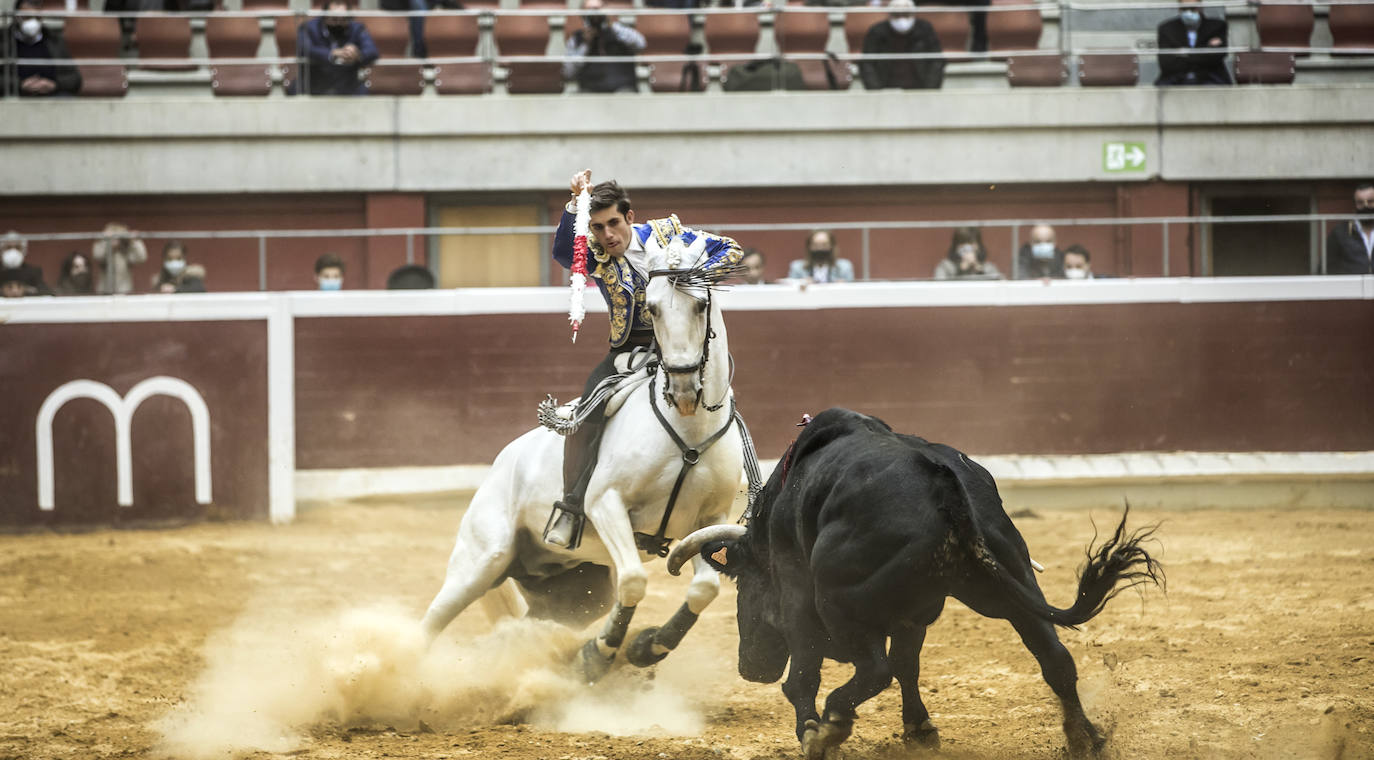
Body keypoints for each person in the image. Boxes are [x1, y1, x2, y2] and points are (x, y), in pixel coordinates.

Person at [543, 169, 743, 548]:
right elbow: (565, 254)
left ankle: (750, 493)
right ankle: (571, 508)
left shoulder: (670, 238)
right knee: (586, 413)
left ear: (630, 217)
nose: (607, 235)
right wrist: (575, 205)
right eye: (598, 227)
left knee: (722, 398)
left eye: (614, 223)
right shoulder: (598, 253)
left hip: (681, 345)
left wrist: (693, 277)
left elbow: (730, 249)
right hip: (627, 352)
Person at [563, 0, 646, 94]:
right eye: (589, 10)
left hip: (623, 89)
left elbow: (640, 44)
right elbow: (569, 72)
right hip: (589, 92)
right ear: (582, 14)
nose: (595, 13)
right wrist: (585, 45)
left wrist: (612, 27)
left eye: (598, 9)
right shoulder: (577, 39)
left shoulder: (620, 31)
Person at [298, 0, 379, 96]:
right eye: (334, 19)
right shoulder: (309, 28)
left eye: (343, 19)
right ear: (325, 17)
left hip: (348, 83)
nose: (338, 23)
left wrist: (357, 54)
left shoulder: (357, 28)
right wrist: (332, 54)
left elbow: (372, 51)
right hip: (317, 81)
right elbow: (304, 49)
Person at [2, 0, 81, 97]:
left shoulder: (54, 40)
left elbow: (75, 79)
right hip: (16, 95)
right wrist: (20, 84)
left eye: (37, 17)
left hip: (52, 95)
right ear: (16, 17)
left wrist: (55, 84)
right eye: (27, 17)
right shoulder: (4, 40)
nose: (33, 21)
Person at [860, 0, 944, 90]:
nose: (901, 18)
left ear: (913, 14)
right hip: (886, 89)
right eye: (897, 15)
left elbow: (936, 60)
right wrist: (876, 91)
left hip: (920, 88)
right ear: (889, 15)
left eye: (906, 14)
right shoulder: (877, 32)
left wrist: (930, 90)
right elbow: (867, 63)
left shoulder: (925, 30)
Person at [1155, 0, 1232, 86]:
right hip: (1176, 78)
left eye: (1193, 8)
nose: (1189, 12)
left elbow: (1217, 57)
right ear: (1179, 9)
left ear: (1201, 7)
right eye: (1185, 9)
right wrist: (1204, 50)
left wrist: (1183, 54)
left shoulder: (1217, 26)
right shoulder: (1167, 29)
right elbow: (1166, 63)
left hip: (1209, 78)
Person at [1325, 182, 1374, 275]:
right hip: (1350, 287)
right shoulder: (1340, 233)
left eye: (1370, 201)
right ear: (1354, 205)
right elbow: (1329, 268)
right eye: (1360, 203)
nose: (1366, 206)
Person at [91, 222, 148, 294]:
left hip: (124, 290)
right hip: (104, 290)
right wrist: (106, 242)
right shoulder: (101, 244)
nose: (115, 240)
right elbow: (98, 256)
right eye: (113, 237)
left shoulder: (125, 252)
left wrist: (135, 241)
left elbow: (141, 258)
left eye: (118, 237)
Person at [933, 226, 1002, 280]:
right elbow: (938, 287)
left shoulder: (988, 267)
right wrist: (959, 271)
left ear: (978, 245)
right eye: (963, 243)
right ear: (956, 246)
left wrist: (981, 271)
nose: (967, 248)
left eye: (971, 243)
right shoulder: (945, 266)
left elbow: (1001, 285)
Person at [787, 229, 855, 283]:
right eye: (816, 245)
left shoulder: (844, 267)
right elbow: (791, 290)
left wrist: (842, 285)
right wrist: (801, 283)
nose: (820, 248)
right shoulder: (797, 267)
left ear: (832, 246)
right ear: (809, 247)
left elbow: (852, 292)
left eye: (824, 245)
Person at [1, 231, 53, 295]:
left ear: (23, 250)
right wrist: (2, 291)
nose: (13, 251)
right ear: (1, 250)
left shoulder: (33, 272)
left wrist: (26, 290)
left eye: (17, 247)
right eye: (8, 247)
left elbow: (48, 293)